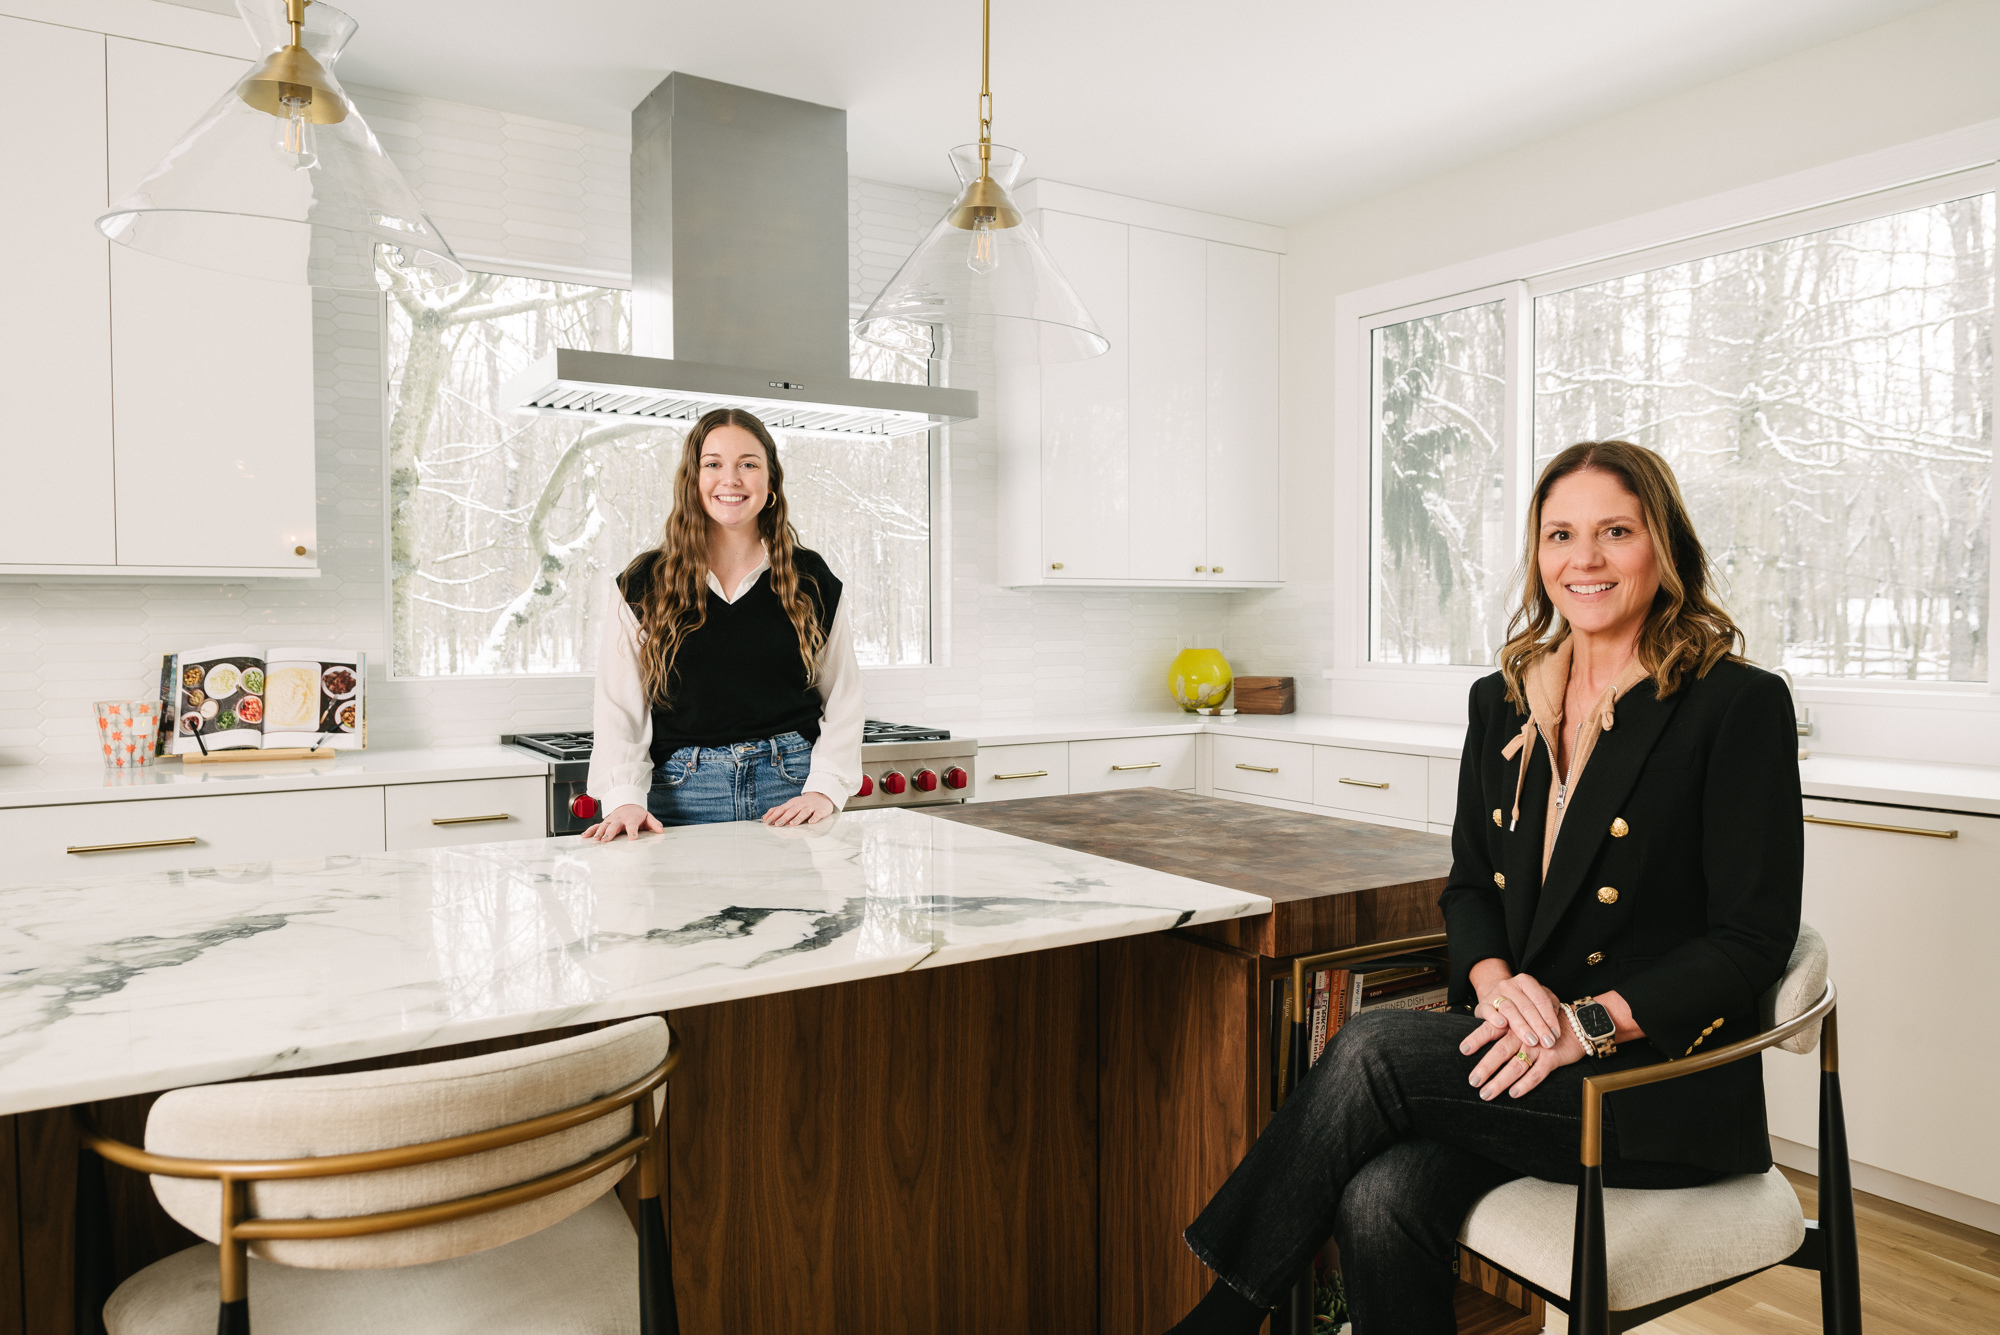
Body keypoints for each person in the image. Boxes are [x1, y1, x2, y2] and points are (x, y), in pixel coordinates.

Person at [1163, 441, 1803, 1335]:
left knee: (1377, 1048)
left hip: (1652, 1083)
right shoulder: (1500, 700)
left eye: (1615, 531)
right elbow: (1470, 886)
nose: (1584, 558)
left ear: (1661, 548)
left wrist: (1590, 1023)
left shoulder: (1735, 705)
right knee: (1382, 1198)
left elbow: (1751, 939)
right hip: (1525, 1052)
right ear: (1539, 557)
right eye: (1560, 535)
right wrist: (1497, 982)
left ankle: (1219, 1320)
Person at [580, 406, 862, 835]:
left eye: (748, 465)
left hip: (792, 792)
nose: (730, 479)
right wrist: (623, 800)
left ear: (770, 483)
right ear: (693, 480)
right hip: (678, 795)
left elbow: (844, 695)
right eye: (713, 464)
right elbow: (619, 706)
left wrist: (825, 788)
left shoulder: (811, 577)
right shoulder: (644, 582)